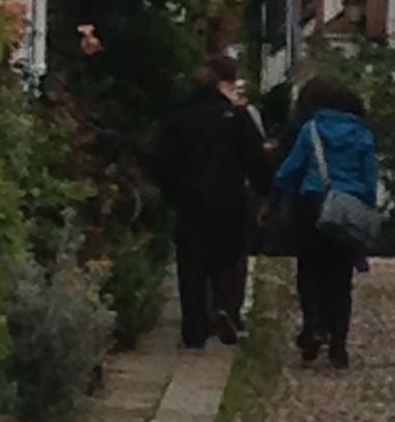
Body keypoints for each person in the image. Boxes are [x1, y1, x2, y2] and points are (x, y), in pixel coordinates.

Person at [150, 50, 271, 350]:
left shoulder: (178, 120)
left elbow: (161, 163)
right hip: (229, 197)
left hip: (190, 198)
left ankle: (194, 329)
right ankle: (224, 307)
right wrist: (268, 193)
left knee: (192, 263)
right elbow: (256, 161)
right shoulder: (237, 118)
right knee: (228, 256)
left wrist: (171, 193)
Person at [269, 75, 380, 368]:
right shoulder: (363, 135)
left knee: (309, 271)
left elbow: (288, 170)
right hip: (348, 208)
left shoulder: (311, 130)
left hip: (313, 205)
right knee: (340, 278)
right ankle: (339, 346)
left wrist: (275, 200)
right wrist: (366, 207)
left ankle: (314, 327)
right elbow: (370, 180)